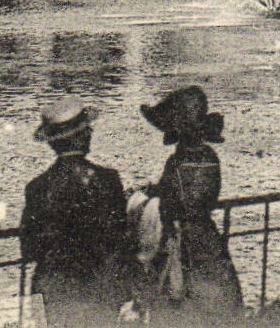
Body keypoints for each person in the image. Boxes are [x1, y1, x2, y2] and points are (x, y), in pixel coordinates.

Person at [22, 97, 132, 328]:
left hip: (54, 289)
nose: (90, 133)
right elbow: (121, 236)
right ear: (80, 136)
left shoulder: (37, 187)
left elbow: (29, 247)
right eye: (87, 129)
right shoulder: (108, 180)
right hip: (100, 287)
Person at [140, 86, 242, 325]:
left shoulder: (176, 161)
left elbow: (169, 203)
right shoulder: (210, 158)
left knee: (175, 299)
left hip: (181, 239)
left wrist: (154, 194)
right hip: (208, 236)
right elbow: (207, 195)